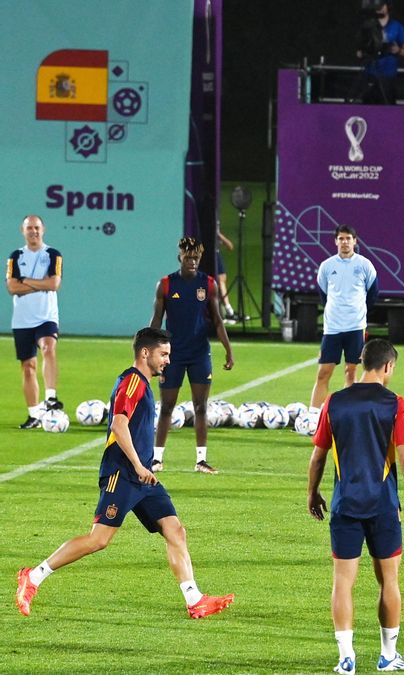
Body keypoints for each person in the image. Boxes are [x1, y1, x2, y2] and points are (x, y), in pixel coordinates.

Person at [15, 327, 234, 619]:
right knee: (99, 540)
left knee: (174, 530)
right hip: (123, 472)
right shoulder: (132, 382)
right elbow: (119, 425)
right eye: (163, 354)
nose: (168, 360)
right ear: (146, 353)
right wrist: (139, 465)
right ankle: (33, 577)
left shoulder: (142, 382)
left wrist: (144, 467)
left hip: (142, 477)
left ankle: (194, 600)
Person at [307, 338, 404, 673]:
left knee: (342, 582)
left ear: (363, 363)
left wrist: (312, 493)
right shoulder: (396, 404)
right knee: (388, 581)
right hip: (383, 507)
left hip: (344, 505)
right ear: (388, 366)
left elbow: (318, 456)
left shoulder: (333, 402)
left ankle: (345, 657)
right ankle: (387, 655)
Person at [149, 237, 235, 474]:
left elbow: (217, 320)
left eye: (196, 257)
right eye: (188, 257)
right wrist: (148, 348)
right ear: (180, 258)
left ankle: (201, 460)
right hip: (172, 355)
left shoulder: (208, 284)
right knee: (166, 407)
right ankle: (157, 459)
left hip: (199, 353)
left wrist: (228, 349)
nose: (193, 261)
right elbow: (157, 319)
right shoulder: (166, 284)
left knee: (201, 407)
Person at [311, 225, 378, 409]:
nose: (345, 242)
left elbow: (373, 294)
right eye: (341, 239)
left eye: (348, 238)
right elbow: (323, 294)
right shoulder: (327, 266)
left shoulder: (365, 265)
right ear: (335, 241)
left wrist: (358, 313)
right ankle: (313, 417)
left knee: (351, 371)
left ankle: (346, 414)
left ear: (355, 241)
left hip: (355, 327)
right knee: (323, 372)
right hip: (332, 328)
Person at [7, 215, 64, 429]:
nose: (34, 231)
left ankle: (50, 396)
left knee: (48, 348)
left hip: (46, 316)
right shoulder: (15, 257)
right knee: (27, 366)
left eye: (37, 227)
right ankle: (34, 414)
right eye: (29, 228)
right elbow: (12, 287)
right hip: (22, 319)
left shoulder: (52, 254)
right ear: (23, 230)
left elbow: (54, 283)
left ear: (43, 229)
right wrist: (41, 284)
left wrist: (26, 282)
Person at [358, 1, 404, 105]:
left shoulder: (397, 26)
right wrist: (363, 52)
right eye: (377, 6)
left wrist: (398, 50)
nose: (380, 8)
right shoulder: (368, 25)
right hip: (370, 74)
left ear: (388, 6)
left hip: (388, 76)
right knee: (368, 108)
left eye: (382, 5)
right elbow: (359, 51)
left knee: (387, 110)